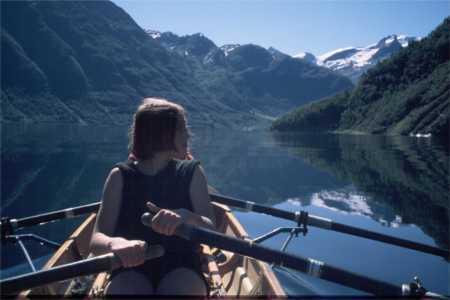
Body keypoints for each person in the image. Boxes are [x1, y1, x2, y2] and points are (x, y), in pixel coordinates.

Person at [89, 98, 216, 296]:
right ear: (164, 134)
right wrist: (116, 244)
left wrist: (185, 216)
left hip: (182, 264)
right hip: (129, 266)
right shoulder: (119, 176)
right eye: (183, 128)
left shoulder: (192, 172)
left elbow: (211, 230)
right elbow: (96, 240)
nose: (189, 135)